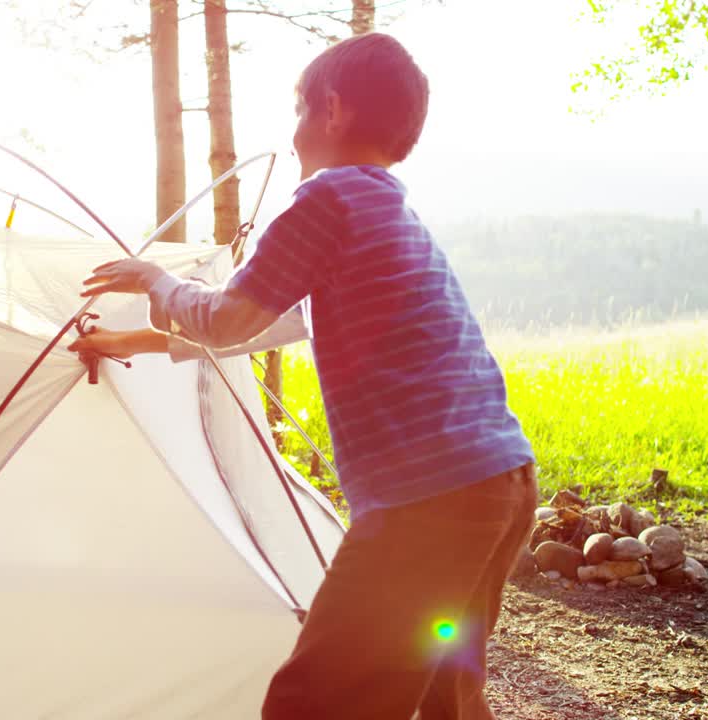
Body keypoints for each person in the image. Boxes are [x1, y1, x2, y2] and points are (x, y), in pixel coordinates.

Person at [69, 32, 536, 720]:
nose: (291, 136)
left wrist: (154, 279)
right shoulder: (386, 212)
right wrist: (128, 340)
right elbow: (267, 326)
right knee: (447, 700)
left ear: (333, 109)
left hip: (427, 503)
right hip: (500, 487)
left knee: (314, 703)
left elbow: (228, 320)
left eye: (298, 111)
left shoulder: (326, 200)